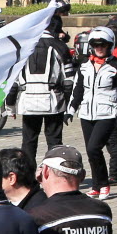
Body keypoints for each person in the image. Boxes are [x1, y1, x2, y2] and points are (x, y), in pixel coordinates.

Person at [69, 27, 117, 199]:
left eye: (103, 44)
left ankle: (104, 184)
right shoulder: (84, 66)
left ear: (110, 45)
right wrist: (71, 109)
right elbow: (78, 89)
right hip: (87, 113)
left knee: (94, 148)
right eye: (96, 44)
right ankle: (96, 185)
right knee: (90, 151)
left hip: (107, 113)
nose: (99, 48)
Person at [12, 26, 73, 164]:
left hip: (28, 101)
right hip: (54, 100)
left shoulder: (23, 47)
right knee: (55, 142)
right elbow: (69, 81)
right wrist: (70, 105)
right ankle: (55, 174)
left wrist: (10, 106)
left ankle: (28, 179)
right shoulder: (60, 46)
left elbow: (13, 82)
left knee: (28, 142)